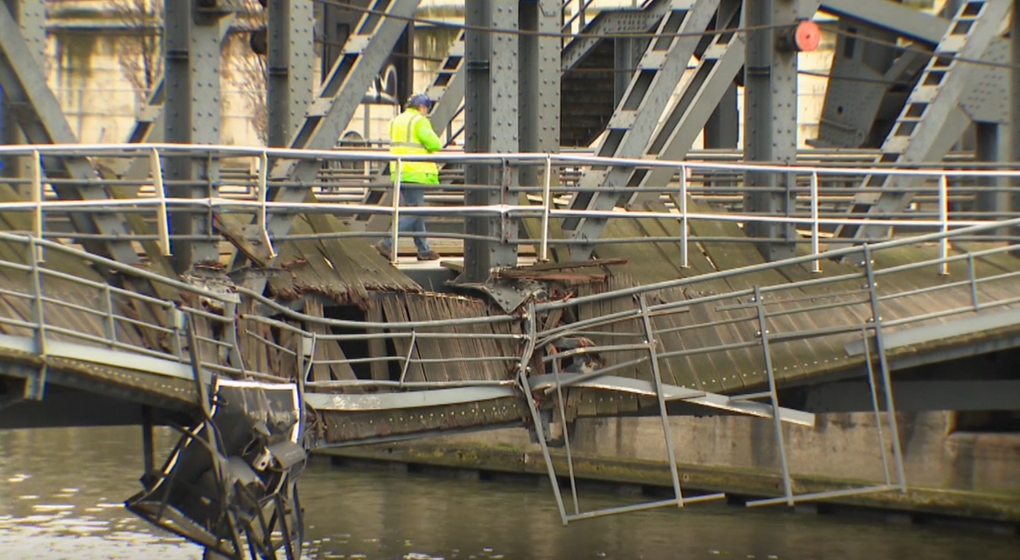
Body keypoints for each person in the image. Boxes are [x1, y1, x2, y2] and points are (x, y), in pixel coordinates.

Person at [375, 93, 442, 262]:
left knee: (415, 210)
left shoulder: (397, 120)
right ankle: (387, 242)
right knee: (415, 212)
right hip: (416, 171)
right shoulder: (419, 121)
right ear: (422, 107)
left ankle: (424, 250)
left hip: (399, 170)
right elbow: (435, 144)